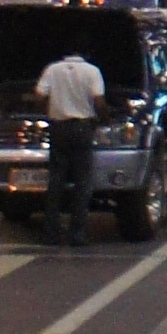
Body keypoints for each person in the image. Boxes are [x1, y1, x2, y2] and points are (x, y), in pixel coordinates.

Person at [35, 29, 106, 245]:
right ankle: (77, 231)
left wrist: (48, 112)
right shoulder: (92, 71)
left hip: (58, 128)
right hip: (83, 129)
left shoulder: (52, 69)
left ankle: (51, 231)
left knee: (56, 180)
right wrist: (103, 118)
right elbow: (99, 101)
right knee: (82, 181)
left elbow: (39, 94)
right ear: (86, 52)